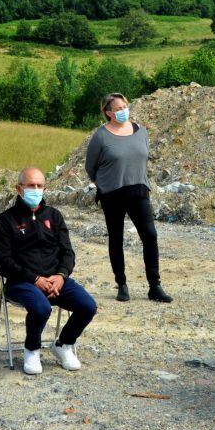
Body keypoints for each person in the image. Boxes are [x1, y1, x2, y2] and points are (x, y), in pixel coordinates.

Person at [0, 167, 98, 375]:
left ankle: (63, 345)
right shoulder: (6, 220)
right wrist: (35, 279)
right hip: (21, 282)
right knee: (41, 308)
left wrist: (61, 276)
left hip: (55, 280)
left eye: (40, 186)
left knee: (88, 306)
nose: (36, 190)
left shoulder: (54, 216)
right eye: (31, 185)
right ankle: (32, 349)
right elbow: (3, 262)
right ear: (19, 188)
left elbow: (68, 253)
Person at [84, 92, 172, 303]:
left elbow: (143, 156)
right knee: (117, 238)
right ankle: (122, 284)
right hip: (112, 193)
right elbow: (90, 166)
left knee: (149, 235)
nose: (124, 110)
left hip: (138, 189)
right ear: (108, 112)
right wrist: (103, 184)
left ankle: (155, 286)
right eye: (119, 108)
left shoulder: (140, 131)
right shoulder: (101, 136)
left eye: (125, 106)